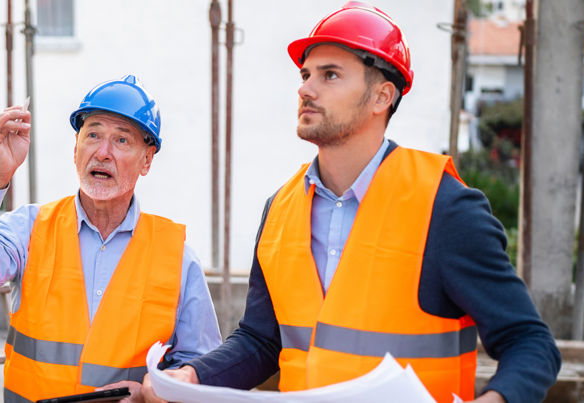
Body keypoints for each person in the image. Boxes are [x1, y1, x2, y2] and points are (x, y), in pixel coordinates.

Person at [141, 3, 560, 403]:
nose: (306, 88)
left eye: (330, 75)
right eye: (306, 74)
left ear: (381, 97)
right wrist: (193, 375)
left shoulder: (445, 208)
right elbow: (261, 341)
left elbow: (530, 342)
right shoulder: (280, 210)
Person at [0, 75, 222, 402]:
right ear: (76, 148)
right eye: (93, 134)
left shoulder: (177, 257)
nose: (102, 152)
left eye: (121, 140)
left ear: (147, 160)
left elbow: (199, 365)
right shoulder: (31, 229)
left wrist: (153, 392)